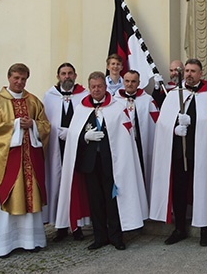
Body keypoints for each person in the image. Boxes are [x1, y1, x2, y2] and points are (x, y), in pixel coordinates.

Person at [56, 72, 148, 251]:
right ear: (89, 88)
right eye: (93, 87)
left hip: (112, 163)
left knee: (112, 200)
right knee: (95, 201)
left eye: (99, 86)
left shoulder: (117, 108)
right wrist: (84, 136)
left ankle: (116, 236)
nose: (96, 89)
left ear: (105, 87)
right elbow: (74, 135)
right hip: (90, 164)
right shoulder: (82, 108)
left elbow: (125, 135)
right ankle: (100, 237)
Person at [149, 59, 207, 247]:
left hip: (201, 152)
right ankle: (179, 228)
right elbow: (162, 123)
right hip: (179, 152)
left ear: (201, 73)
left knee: (202, 188)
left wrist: (193, 121)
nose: (189, 74)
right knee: (179, 190)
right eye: (186, 70)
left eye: (193, 71)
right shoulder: (174, 95)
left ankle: (205, 228)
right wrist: (174, 128)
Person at [0, 63, 50, 257]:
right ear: (9, 78)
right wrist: (16, 125)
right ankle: (4, 245)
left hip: (30, 163)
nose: (19, 82)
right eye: (16, 78)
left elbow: (46, 126)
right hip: (7, 164)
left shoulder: (34, 101)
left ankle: (31, 241)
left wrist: (34, 125)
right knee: (7, 198)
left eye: (23, 79)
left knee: (30, 199)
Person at [42, 62, 89, 242]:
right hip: (56, 147)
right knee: (57, 185)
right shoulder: (49, 96)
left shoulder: (83, 96)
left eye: (70, 73)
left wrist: (72, 133)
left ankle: (76, 226)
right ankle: (60, 226)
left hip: (77, 148)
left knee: (75, 185)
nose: (67, 77)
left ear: (75, 76)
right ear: (58, 76)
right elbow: (44, 122)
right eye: (63, 74)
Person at [115, 70, 159, 199]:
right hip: (123, 145)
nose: (129, 84)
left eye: (133, 81)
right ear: (123, 81)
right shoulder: (115, 100)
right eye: (127, 81)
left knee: (143, 171)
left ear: (139, 83)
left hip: (142, 144)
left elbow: (155, 123)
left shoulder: (147, 100)